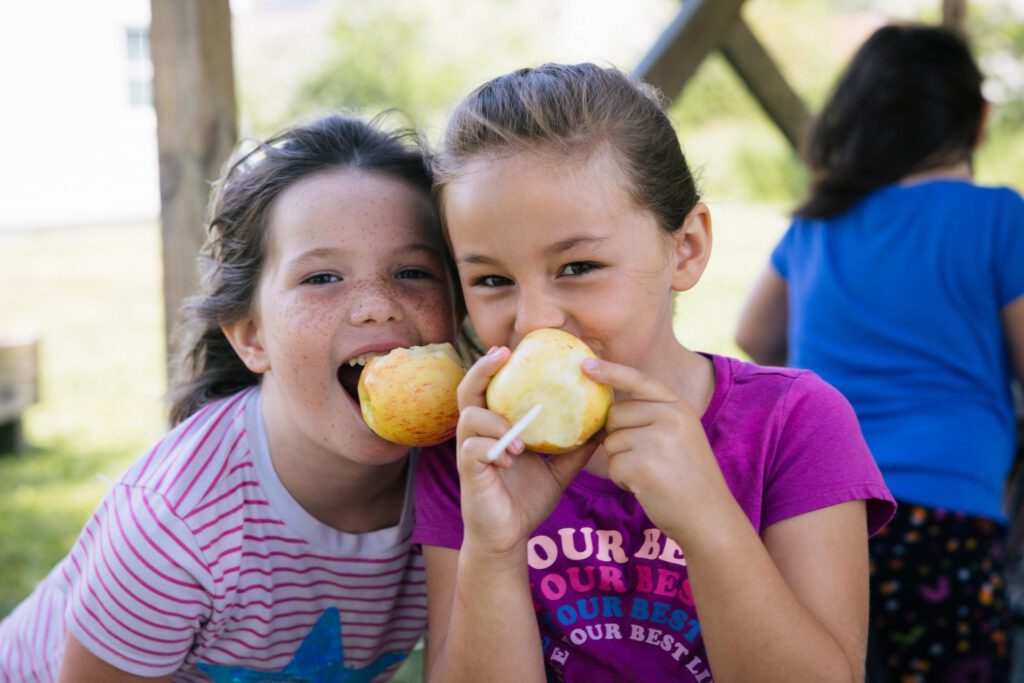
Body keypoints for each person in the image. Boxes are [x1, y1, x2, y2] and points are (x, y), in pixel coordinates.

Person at [412, 62, 896, 682]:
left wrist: (707, 517)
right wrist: (494, 550)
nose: (534, 320)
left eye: (578, 266)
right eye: (492, 281)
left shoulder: (794, 423)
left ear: (685, 248)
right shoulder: (473, 452)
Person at [0, 113, 461, 681]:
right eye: (321, 278)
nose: (376, 305)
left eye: (413, 271)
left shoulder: (467, 477)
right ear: (251, 337)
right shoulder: (175, 524)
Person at [735, 24, 1024, 682]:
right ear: (978, 120)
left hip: (821, 505)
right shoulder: (999, 217)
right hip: (949, 507)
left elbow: (754, 333)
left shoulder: (818, 223)